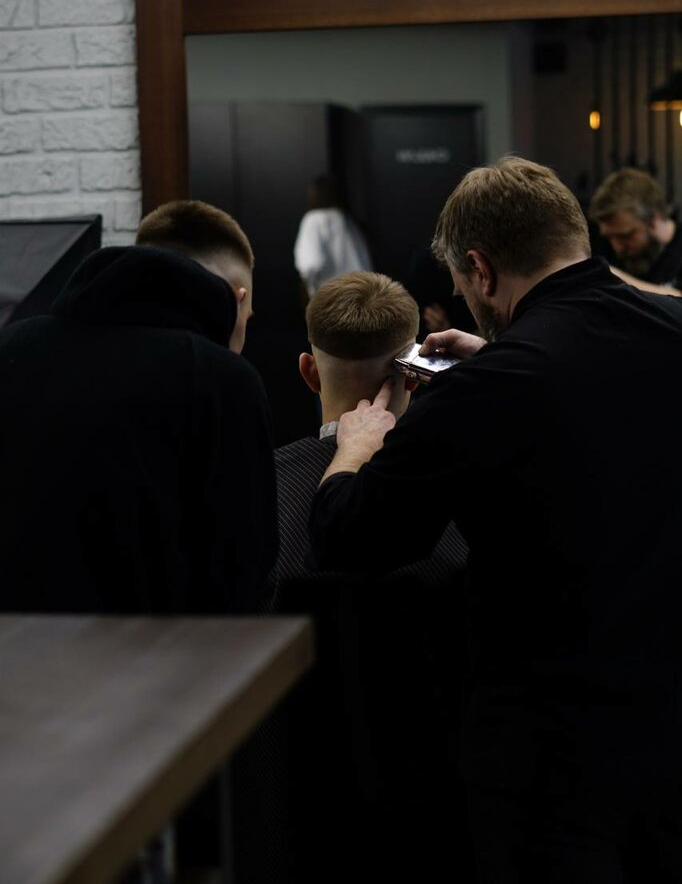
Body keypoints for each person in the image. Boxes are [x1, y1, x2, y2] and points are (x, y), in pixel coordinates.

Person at [309, 157, 682, 881]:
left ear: (480, 270)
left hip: (557, 760)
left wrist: (354, 450)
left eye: (460, 285)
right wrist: (501, 357)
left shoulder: (489, 387)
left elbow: (350, 537)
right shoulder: (669, 326)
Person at [261, 270, 469, 884]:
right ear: (415, 372)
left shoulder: (251, 492)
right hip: (443, 805)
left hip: (290, 805)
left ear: (308, 371)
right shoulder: (466, 494)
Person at [0, 198, 278, 616]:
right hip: (161, 651)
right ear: (238, 301)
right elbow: (245, 567)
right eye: (248, 319)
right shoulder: (223, 381)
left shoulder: (10, 347)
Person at [589, 166, 682, 296]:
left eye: (626, 236)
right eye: (610, 237)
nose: (617, 247)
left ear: (654, 219)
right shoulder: (609, 249)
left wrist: (616, 278)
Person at [293, 174, 372, 299]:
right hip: (360, 295)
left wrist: (310, 290)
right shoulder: (347, 220)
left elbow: (310, 263)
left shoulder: (313, 220)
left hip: (332, 297)